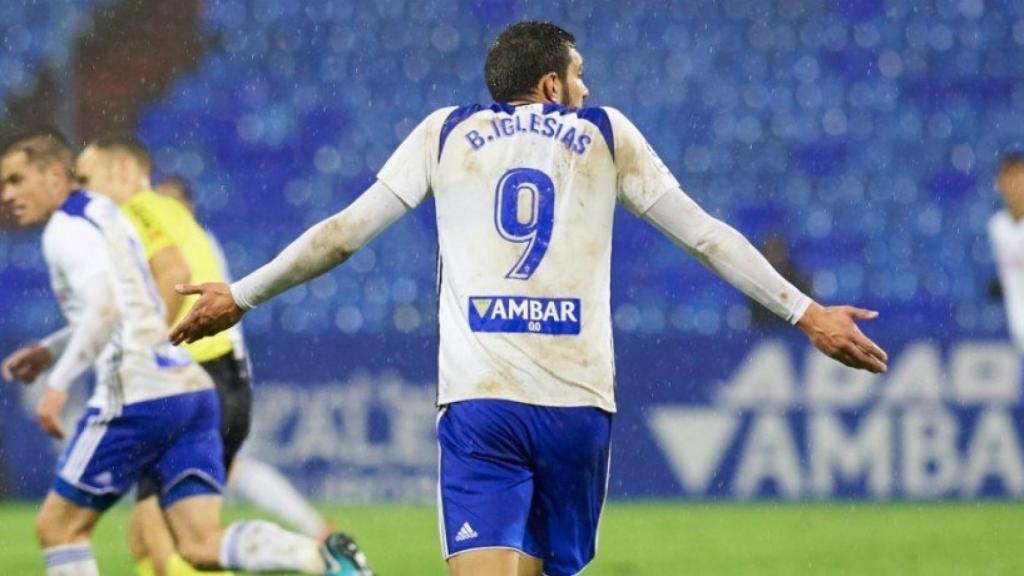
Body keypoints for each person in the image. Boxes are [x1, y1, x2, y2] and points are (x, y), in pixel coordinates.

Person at [169, 21, 888, 576]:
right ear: (549, 85)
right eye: (577, 75)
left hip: (481, 404)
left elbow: (342, 236)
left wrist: (242, 294)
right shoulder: (606, 134)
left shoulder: (444, 132)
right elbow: (704, 235)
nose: (585, 90)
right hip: (577, 407)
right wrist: (807, 313)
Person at [0, 129, 369, 576]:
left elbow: (107, 307)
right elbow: (126, 303)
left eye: (16, 180)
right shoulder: (110, 214)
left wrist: (58, 383)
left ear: (56, 175)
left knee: (60, 528)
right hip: (191, 387)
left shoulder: (72, 226)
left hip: (142, 389)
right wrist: (51, 349)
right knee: (198, 542)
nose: (7, 195)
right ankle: (320, 557)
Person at [156, 175, 335, 541]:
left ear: (189, 207)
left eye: (171, 205)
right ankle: (315, 536)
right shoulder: (190, 242)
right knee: (189, 486)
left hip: (211, 365)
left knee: (207, 483)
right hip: (205, 366)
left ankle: (313, 543)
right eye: (158, 206)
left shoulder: (186, 245)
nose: (164, 214)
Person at [989, 154, 1024, 356]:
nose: (1013, 187)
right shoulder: (998, 227)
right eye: (1008, 179)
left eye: (1019, 179)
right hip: (1018, 334)